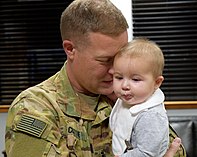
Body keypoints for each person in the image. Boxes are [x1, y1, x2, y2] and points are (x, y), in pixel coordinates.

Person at [5, 0, 185, 157]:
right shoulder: (35, 107)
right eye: (105, 60)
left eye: (119, 59)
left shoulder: (128, 96)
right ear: (70, 49)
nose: (116, 71)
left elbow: (172, 149)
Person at [110, 38, 169, 157]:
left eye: (135, 79)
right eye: (119, 77)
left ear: (156, 83)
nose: (124, 86)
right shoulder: (126, 101)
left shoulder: (151, 116)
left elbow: (147, 153)